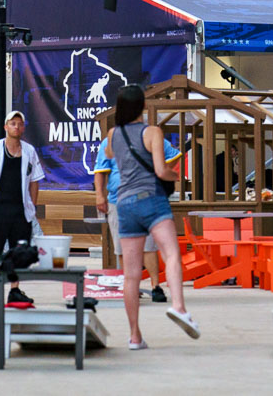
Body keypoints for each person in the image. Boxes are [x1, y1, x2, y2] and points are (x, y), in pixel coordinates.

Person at [108, 85, 200, 348]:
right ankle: (179, 307)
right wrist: (175, 177)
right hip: (152, 200)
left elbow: (111, 157)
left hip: (124, 204)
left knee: (131, 275)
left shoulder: (113, 135)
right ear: (142, 107)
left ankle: (134, 336)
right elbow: (161, 170)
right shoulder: (153, 132)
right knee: (170, 253)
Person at [94, 127, 182, 302]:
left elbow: (174, 155)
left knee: (148, 246)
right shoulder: (110, 140)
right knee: (122, 246)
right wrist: (99, 195)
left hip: (145, 197)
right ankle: (130, 285)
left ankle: (155, 286)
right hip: (118, 199)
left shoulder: (149, 136)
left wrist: (160, 170)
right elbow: (100, 171)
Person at [0, 110, 45, 308]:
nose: (16, 127)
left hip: (20, 210)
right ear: (6, 127)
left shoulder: (29, 151)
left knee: (18, 253)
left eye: (20, 124)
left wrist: (31, 205)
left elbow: (35, 181)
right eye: (13, 123)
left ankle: (14, 290)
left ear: (23, 128)